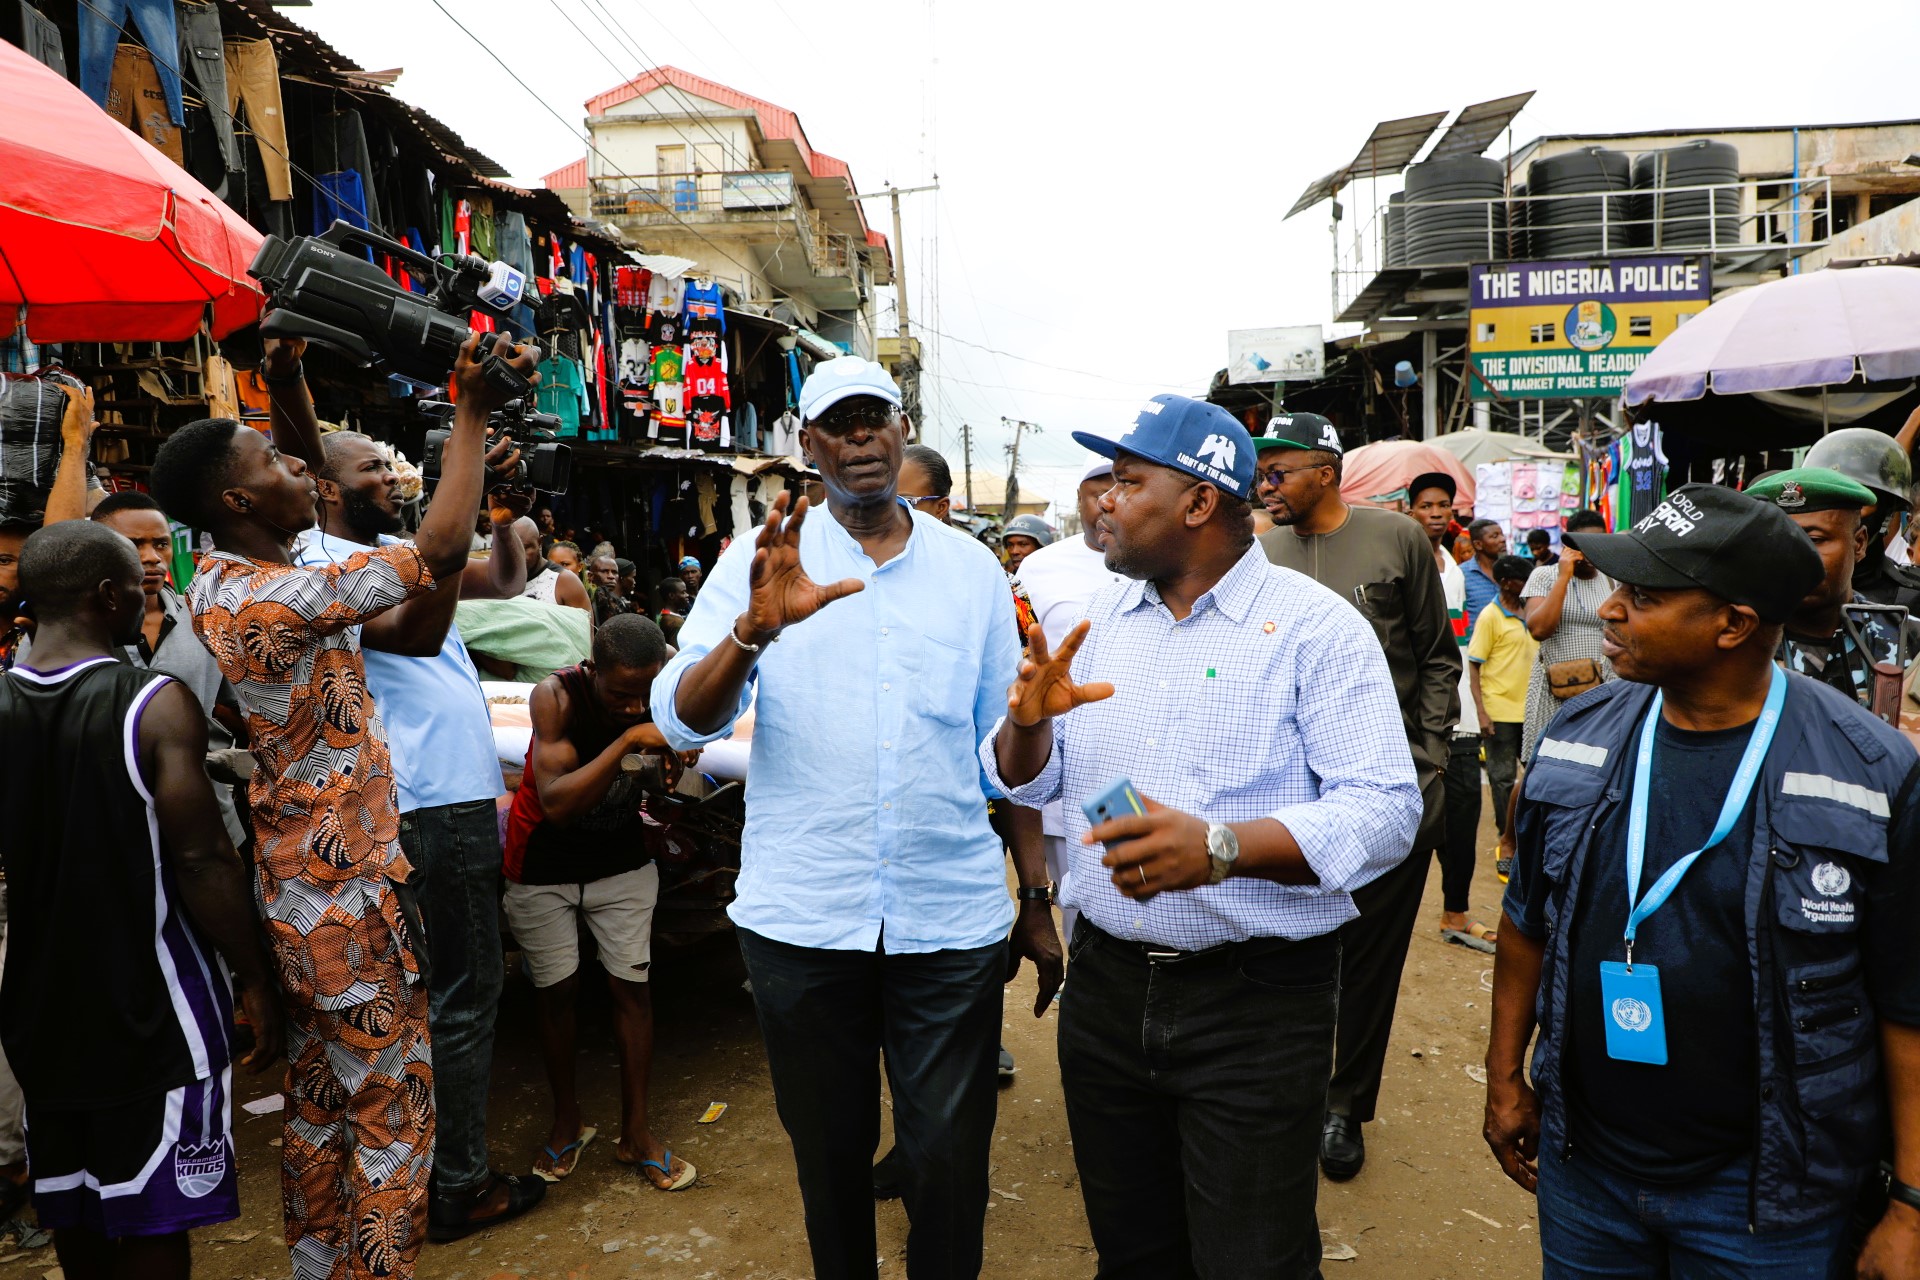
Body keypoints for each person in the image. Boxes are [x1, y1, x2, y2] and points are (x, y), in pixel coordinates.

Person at [986, 395, 1421, 1277]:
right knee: (1134, 1252)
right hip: (1105, 990)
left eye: (1127, 481)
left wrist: (1220, 847)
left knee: (1251, 1259)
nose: (1103, 499)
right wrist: (1028, 725)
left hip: (1257, 1003)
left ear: (1196, 504)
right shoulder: (1093, 624)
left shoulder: (1315, 630)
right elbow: (1035, 780)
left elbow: (1384, 811)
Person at [652, 356, 1058, 1280]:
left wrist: (1031, 722)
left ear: (902, 428)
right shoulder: (759, 557)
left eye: (878, 416)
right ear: (810, 445)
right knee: (830, 1158)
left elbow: (1008, 766)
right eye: (841, 422)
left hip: (945, 918)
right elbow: (680, 714)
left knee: (949, 1162)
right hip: (803, 916)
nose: (864, 436)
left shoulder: (971, 574)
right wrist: (751, 634)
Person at [147, 332, 536, 1280]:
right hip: (346, 892)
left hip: (305, 885)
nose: (304, 471)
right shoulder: (279, 597)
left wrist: (287, 389)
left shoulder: (236, 583)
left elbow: (312, 488)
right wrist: (470, 412)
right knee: (392, 1113)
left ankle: (323, 1267)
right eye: (279, 464)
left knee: (324, 1114)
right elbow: (440, 548)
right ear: (241, 501)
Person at [1484, 484, 1920, 1280]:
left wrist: (1911, 1205)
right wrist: (1506, 1078)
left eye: (1643, 595)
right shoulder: (1578, 738)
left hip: (1769, 1198)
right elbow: (1525, 923)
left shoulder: (1870, 770)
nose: (1610, 611)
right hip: (1587, 1175)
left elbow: (1907, 1002)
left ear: (1734, 624)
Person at [0, 520, 284, 1280]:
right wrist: (255, 976)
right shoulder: (152, 703)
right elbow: (201, 858)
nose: (144, 594)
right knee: (157, 1213)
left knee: (76, 1202)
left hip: (40, 1009)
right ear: (105, 595)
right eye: (134, 585)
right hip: (156, 1010)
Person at [292, 430, 547, 1241]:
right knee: (462, 996)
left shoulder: (396, 547)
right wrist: (459, 512)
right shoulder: (321, 563)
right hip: (428, 801)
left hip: (447, 796)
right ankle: (457, 1186)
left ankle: (422, 1173)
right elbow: (416, 636)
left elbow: (506, 579)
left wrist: (502, 516)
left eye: (389, 460)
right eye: (371, 467)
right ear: (328, 489)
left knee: (440, 997)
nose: (390, 475)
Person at [1253, 413, 1461, 1180]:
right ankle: (1289, 1093)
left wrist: (1430, 760)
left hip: (1388, 788)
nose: (1265, 484)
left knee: (1369, 959)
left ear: (1327, 472)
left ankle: (1344, 1105)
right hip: (1286, 799)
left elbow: (1437, 657)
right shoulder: (1258, 552)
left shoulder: (1399, 538)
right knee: (1289, 947)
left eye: (1280, 470)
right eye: (1261, 471)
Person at [503, 615, 697, 1191]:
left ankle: (636, 1132)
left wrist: (668, 766)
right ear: (593, 671)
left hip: (621, 861)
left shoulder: (659, 696)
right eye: (621, 694)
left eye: (646, 693)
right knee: (555, 992)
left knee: (631, 989)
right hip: (542, 865)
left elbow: (661, 780)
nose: (637, 707)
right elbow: (558, 801)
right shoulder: (555, 696)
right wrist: (631, 742)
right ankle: (569, 1121)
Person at [1004, 457, 1124, 946]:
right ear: (1077, 502)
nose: (1106, 504)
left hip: (1143, 767)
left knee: (1141, 899)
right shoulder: (1038, 570)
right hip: (1068, 772)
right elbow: (1015, 660)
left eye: (1119, 489)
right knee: (1081, 911)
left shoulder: (1166, 563)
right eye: (1094, 493)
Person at [87, 491, 250, 845]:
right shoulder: (71, 631)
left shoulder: (204, 619)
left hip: (208, 817)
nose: (151, 558)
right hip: (112, 824)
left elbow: (238, 705)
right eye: (133, 544)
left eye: (161, 544)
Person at [1746, 467, 1915, 716]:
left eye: (1814, 540)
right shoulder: (1737, 640)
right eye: (1777, 540)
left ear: (1858, 544)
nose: (1794, 556)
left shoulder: (1910, 640)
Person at [1411, 473, 1497, 955]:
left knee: (1464, 814)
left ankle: (1456, 910)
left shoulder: (1454, 569)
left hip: (1458, 712)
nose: (1437, 513)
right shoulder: (1404, 561)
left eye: (1444, 505)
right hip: (1420, 717)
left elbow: (1459, 647)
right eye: (1427, 505)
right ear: (1411, 511)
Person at [1466, 555, 1538, 897]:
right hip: (1499, 710)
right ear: (1508, 583)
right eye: (1523, 579)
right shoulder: (1491, 616)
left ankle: (1523, 834)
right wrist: (1481, 712)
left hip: (1532, 709)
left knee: (1532, 776)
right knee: (1501, 777)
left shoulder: (1533, 612)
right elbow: (1475, 666)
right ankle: (1503, 836)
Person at [1804, 426, 1920, 608]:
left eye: (1860, 502)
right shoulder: (1786, 592)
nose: (1841, 514)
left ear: (1887, 512)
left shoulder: (1911, 598)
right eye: (1831, 500)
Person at [517, 518, 591, 612]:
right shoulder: (495, 579)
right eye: (510, 549)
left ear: (539, 543)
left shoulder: (566, 582)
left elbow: (584, 626)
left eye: (525, 548)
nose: (518, 555)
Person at [1462, 517, 1506, 629]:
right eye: (1495, 536)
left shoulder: (1514, 569)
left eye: (1502, 534)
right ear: (1478, 545)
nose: (1503, 539)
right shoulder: (1462, 574)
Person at [588, 555, 635, 625]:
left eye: (614, 572)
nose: (611, 576)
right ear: (591, 576)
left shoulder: (617, 603)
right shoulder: (587, 598)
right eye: (604, 571)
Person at [655, 576, 691, 648]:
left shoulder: (663, 615)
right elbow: (677, 651)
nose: (687, 595)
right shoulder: (675, 622)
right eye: (683, 592)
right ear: (671, 595)